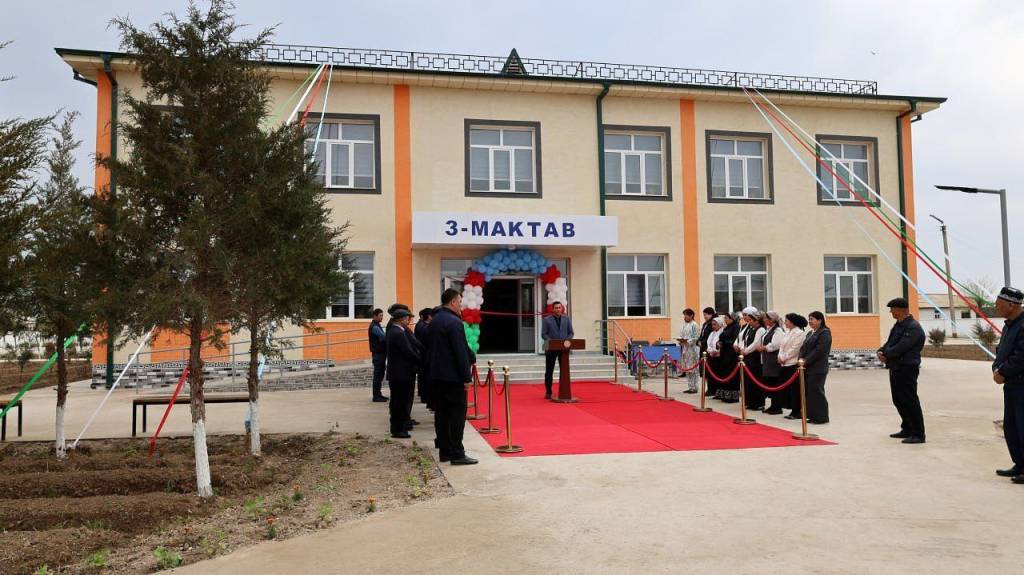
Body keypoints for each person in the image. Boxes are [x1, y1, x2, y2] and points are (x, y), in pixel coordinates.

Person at [429, 288, 477, 465]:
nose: (461, 306)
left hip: (437, 375)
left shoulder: (435, 320)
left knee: (442, 415)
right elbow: (460, 351)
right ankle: (457, 453)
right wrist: (466, 377)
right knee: (457, 415)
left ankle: (445, 451)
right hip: (453, 377)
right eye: (460, 302)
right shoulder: (454, 321)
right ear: (453, 302)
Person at [877, 297, 927, 444]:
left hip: (907, 368)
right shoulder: (898, 325)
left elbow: (902, 347)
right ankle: (907, 428)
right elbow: (891, 342)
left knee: (910, 400)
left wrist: (886, 354)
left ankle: (918, 433)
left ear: (900, 310)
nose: (891, 312)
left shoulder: (913, 327)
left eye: (892, 309)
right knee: (898, 399)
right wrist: (881, 350)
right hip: (896, 367)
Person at [991, 287, 1024, 482]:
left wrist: (1003, 372)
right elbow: (1001, 350)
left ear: (1011, 305)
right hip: (1011, 385)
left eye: (999, 304)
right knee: (1011, 427)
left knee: (1022, 426)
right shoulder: (1008, 326)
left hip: (1021, 384)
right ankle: (1020, 464)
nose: (996, 307)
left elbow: (1021, 356)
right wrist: (996, 368)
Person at [385, 309, 420, 438]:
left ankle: (399, 426)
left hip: (399, 372)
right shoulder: (398, 332)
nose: (408, 320)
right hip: (400, 373)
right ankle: (398, 429)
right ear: (400, 319)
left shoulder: (396, 331)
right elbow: (407, 351)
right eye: (406, 318)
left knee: (399, 401)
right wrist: (420, 361)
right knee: (399, 402)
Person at [798, 311, 833, 424]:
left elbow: (819, 351)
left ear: (820, 320)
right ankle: (813, 416)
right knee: (809, 392)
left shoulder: (824, 333)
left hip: (818, 368)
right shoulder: (810, 333)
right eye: (809, 319)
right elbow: (803, 348)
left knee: (817, 391)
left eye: (812, 319)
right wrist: (800, 359)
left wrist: (806, 360)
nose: (810, 321)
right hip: (807, 367)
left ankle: (821, 417)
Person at [541, 301, 574, 399]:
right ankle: (548, 391)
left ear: (562, 308)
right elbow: (544, 334)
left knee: (563, 371)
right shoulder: (547, 320)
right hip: (551, 349)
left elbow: (571, 333)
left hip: (563, 350)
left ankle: (563, 390)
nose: (558, 309)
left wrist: (567, 340)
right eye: (556, 308)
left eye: (559, 307)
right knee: (549, 371)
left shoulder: (566, 319)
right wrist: (552, 342)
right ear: (553, 309)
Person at [778, 313, 807, 417]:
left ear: (792, 322)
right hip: (784, 364)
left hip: (793, 364)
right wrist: (780, 356)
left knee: (795, 390)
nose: (785, 323)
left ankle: (797, 411)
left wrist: (784, 358)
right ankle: (791, 408)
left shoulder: (800, 333)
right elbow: (781, 346)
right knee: (788, 389)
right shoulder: (787, 332)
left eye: (786, 321)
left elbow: (795, 349)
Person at [758, 311, 786, 414]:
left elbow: (776, 345)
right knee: (770, 383)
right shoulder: (768, 329)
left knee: (775, 383)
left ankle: (777, 407)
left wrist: (764, 347)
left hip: (774, 361)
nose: (764, 320)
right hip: (767, 360)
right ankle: (773, 405)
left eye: (766, 318)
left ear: (772, 320)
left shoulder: (778, 330)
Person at [739, 308, 766, 410]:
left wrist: (745, 351)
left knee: (756, 381)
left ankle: (758, 403)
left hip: (755, 358)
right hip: (748, 357)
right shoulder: (751, 329)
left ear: (757, 321)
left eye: (751, 320)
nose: (749, 322)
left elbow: (756, 343)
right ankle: (750, 402)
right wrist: (742, 349)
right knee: (748, 381)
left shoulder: (761, 329)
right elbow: (744, 341)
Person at [714, 312, 741, 403]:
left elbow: (734, 340)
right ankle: (725, 395)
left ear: (732, 319)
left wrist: (723, 343)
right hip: (724, 354)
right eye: (724, 318)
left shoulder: (736, 327)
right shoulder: (727, 327)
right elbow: (721, 338)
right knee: (724, 374)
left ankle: (732, 397)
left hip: (731, 355)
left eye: (727, 318)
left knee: (731, 375)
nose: (725, 320)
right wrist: (718, 343)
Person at [677, 308, 700, 394]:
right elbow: (682, 335)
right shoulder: (684, 326)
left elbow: (696, 337)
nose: (685, 317)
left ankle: (695, 387)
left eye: (686, 315)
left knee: (693, 368)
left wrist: (688, 342)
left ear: (691, 315)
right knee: (687, 368)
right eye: (684, 315)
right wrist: (681, 340)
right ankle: (690, 387)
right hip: (685, 349)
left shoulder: (695, 325)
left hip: (693, 349)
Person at [415, 308, 434, 410]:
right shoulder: (425, 327)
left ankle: (424, 396)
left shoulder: (421, 325)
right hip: (426, 356)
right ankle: (426, 397)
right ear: (429, 316)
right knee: (426, 378)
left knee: (423, 377)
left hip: (423, 355)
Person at [368, 308, 388, 402]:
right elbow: (383, 337)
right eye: (380, 315)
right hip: (378, 354)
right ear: (374, 316)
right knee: (378, 376)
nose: (382, 317)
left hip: (380, 354)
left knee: (379, 375)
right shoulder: (374, 327)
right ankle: (376, 396)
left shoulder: (377, 325)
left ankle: (378, 394)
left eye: (382, 315)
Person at [698, 307, 717, 396]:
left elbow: (709, 337)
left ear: (711, 314)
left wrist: (703, 342)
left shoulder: (712, 324)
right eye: (704, 315)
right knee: (704, 370)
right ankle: (708, 388)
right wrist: (698, 341)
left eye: (706, 315)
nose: (704, 317)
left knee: (709, 370)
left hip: (708, 349)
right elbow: (702, 335)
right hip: (702, 348)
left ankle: (712, 389)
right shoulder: (705, 324)